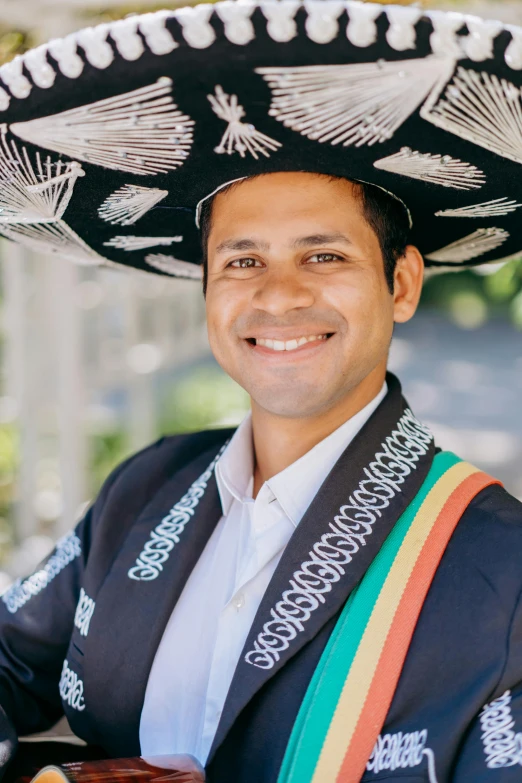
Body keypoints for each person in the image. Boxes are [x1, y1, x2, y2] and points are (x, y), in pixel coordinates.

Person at [0, 2, 521, 781]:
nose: (277, 298)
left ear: (402, 282)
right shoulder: (146, 486)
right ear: (207, 291)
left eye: (323, 257)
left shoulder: (500, 567)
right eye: (243, 261)